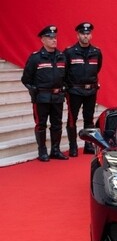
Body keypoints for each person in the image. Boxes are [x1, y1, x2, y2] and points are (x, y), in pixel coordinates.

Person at [22, 25, 68, 162]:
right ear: (42, 40)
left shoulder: (61, 57)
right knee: (41, 124)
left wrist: (64, 88)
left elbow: (66, 77)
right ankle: (42, 151)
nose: (54, 40)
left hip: (57, 97)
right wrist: (34, 91)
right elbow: (26, 79)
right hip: (41, 97)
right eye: (50, 38)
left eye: (55, 37)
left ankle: (55, 150)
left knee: (57, 124)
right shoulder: (36, 58)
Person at [63, 21, 103, 157]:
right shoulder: (69, 52)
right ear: (78, 35)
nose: (85, 36)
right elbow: (64, 71)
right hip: (74, 90)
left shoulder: (96, 52)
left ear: (91, 35)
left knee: (89, 119)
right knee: (72, 119)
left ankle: (88, 145)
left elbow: (97, 68)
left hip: (90, 90)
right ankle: (73, 146)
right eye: (83, 34)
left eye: (88, 33)